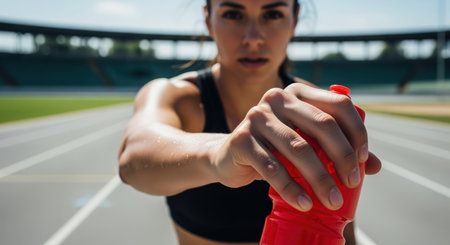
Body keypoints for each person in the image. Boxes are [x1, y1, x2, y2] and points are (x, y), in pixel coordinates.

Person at [118, 0, 382, 244]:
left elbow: (343, 230)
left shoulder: (317, 113)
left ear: (295, 20)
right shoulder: (177, 96)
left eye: (273, 14)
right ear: (209, 20)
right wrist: (221, 153)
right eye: (233, 14)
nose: (253, 38)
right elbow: (134, 156)